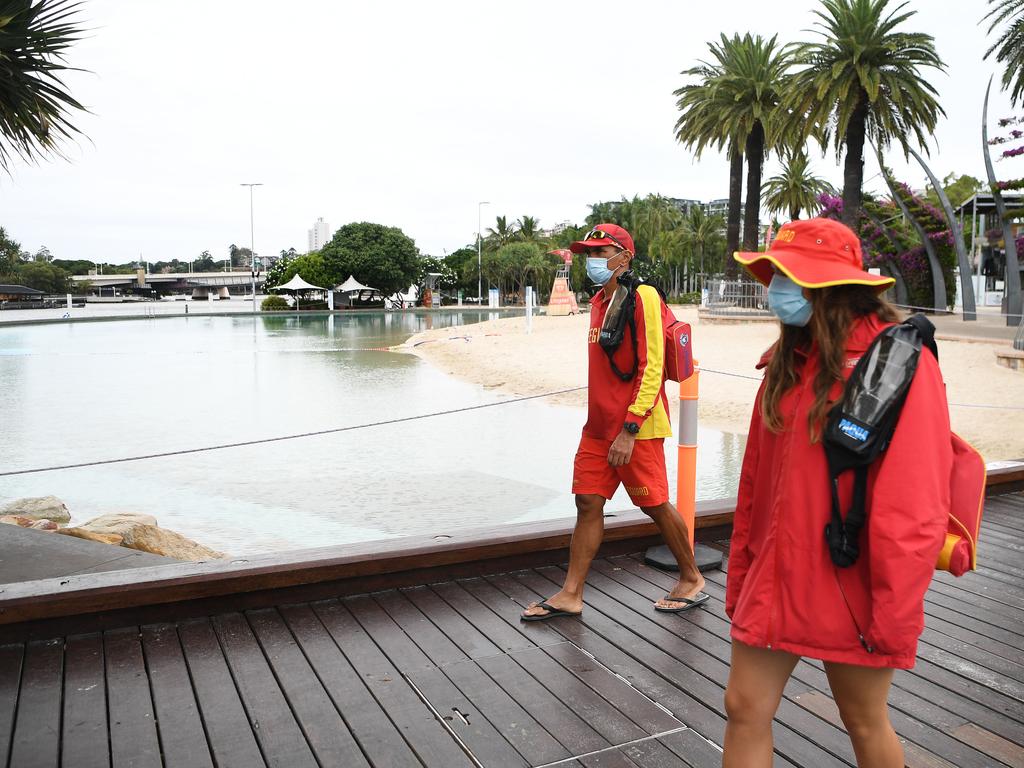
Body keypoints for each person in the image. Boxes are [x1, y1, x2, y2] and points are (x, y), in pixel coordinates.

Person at [723, 218, 953, 767]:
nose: (777, 288)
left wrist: (895, 615)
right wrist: (743, 571)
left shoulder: (898, 366)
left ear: (830, 287)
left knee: (864, 720)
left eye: (788, 276)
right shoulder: (785, 361)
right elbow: (754, 483)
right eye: (774, 274)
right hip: (777, 573)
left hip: (853, 580)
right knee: (743, 706)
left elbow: (916, 505)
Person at [521, 223, 707, 621]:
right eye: (589, 253)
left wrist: (630, 427)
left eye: (601, 253)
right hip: (598, 426)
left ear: (624, 257)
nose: (593, 260)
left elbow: (652, 365)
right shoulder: (598, 302)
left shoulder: (643, 296)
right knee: (587, 501)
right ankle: (571, 593)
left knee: (653, 503)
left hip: (635, 426)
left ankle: (691, 578)